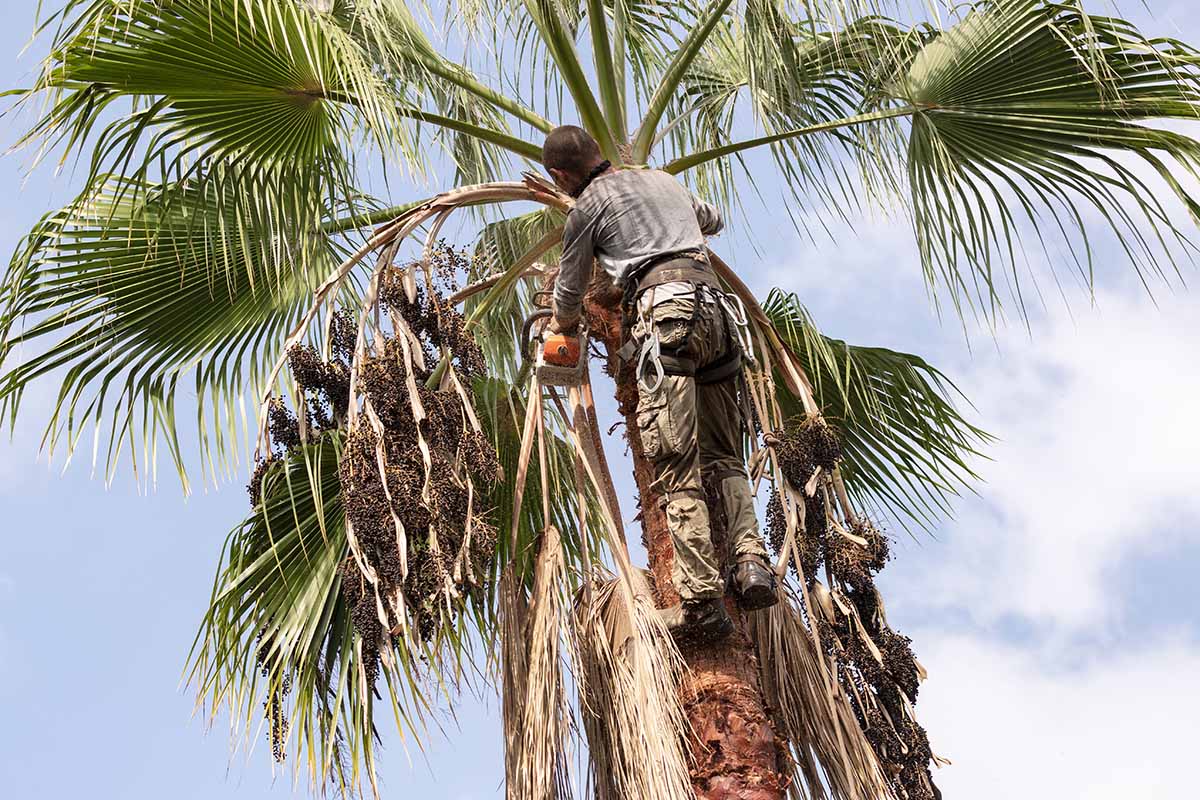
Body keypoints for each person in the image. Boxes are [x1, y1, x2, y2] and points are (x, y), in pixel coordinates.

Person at [541, 125, 777, 642]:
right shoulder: (662, 178)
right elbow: (712, 217)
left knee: (676, 463)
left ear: (560, 176)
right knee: (725, 455)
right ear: (599, 153)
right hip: (718, 314)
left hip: (666, 317)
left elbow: (571, 285)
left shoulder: (585, 210)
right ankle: (751, 564)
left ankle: (701, 603)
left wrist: (561, 325)